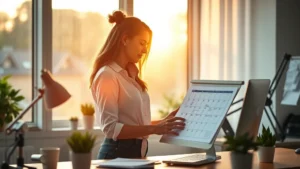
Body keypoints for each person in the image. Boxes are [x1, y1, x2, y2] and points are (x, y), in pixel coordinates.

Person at [89, 10, 186, 159]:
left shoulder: (130, 76)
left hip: (135, 153)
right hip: (116, 154)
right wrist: (154, 128)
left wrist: (164, 122)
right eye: (142, 43)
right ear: (125, 39)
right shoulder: (107, 75)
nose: (145, 50)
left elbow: (133, 122)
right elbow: (111, 128)